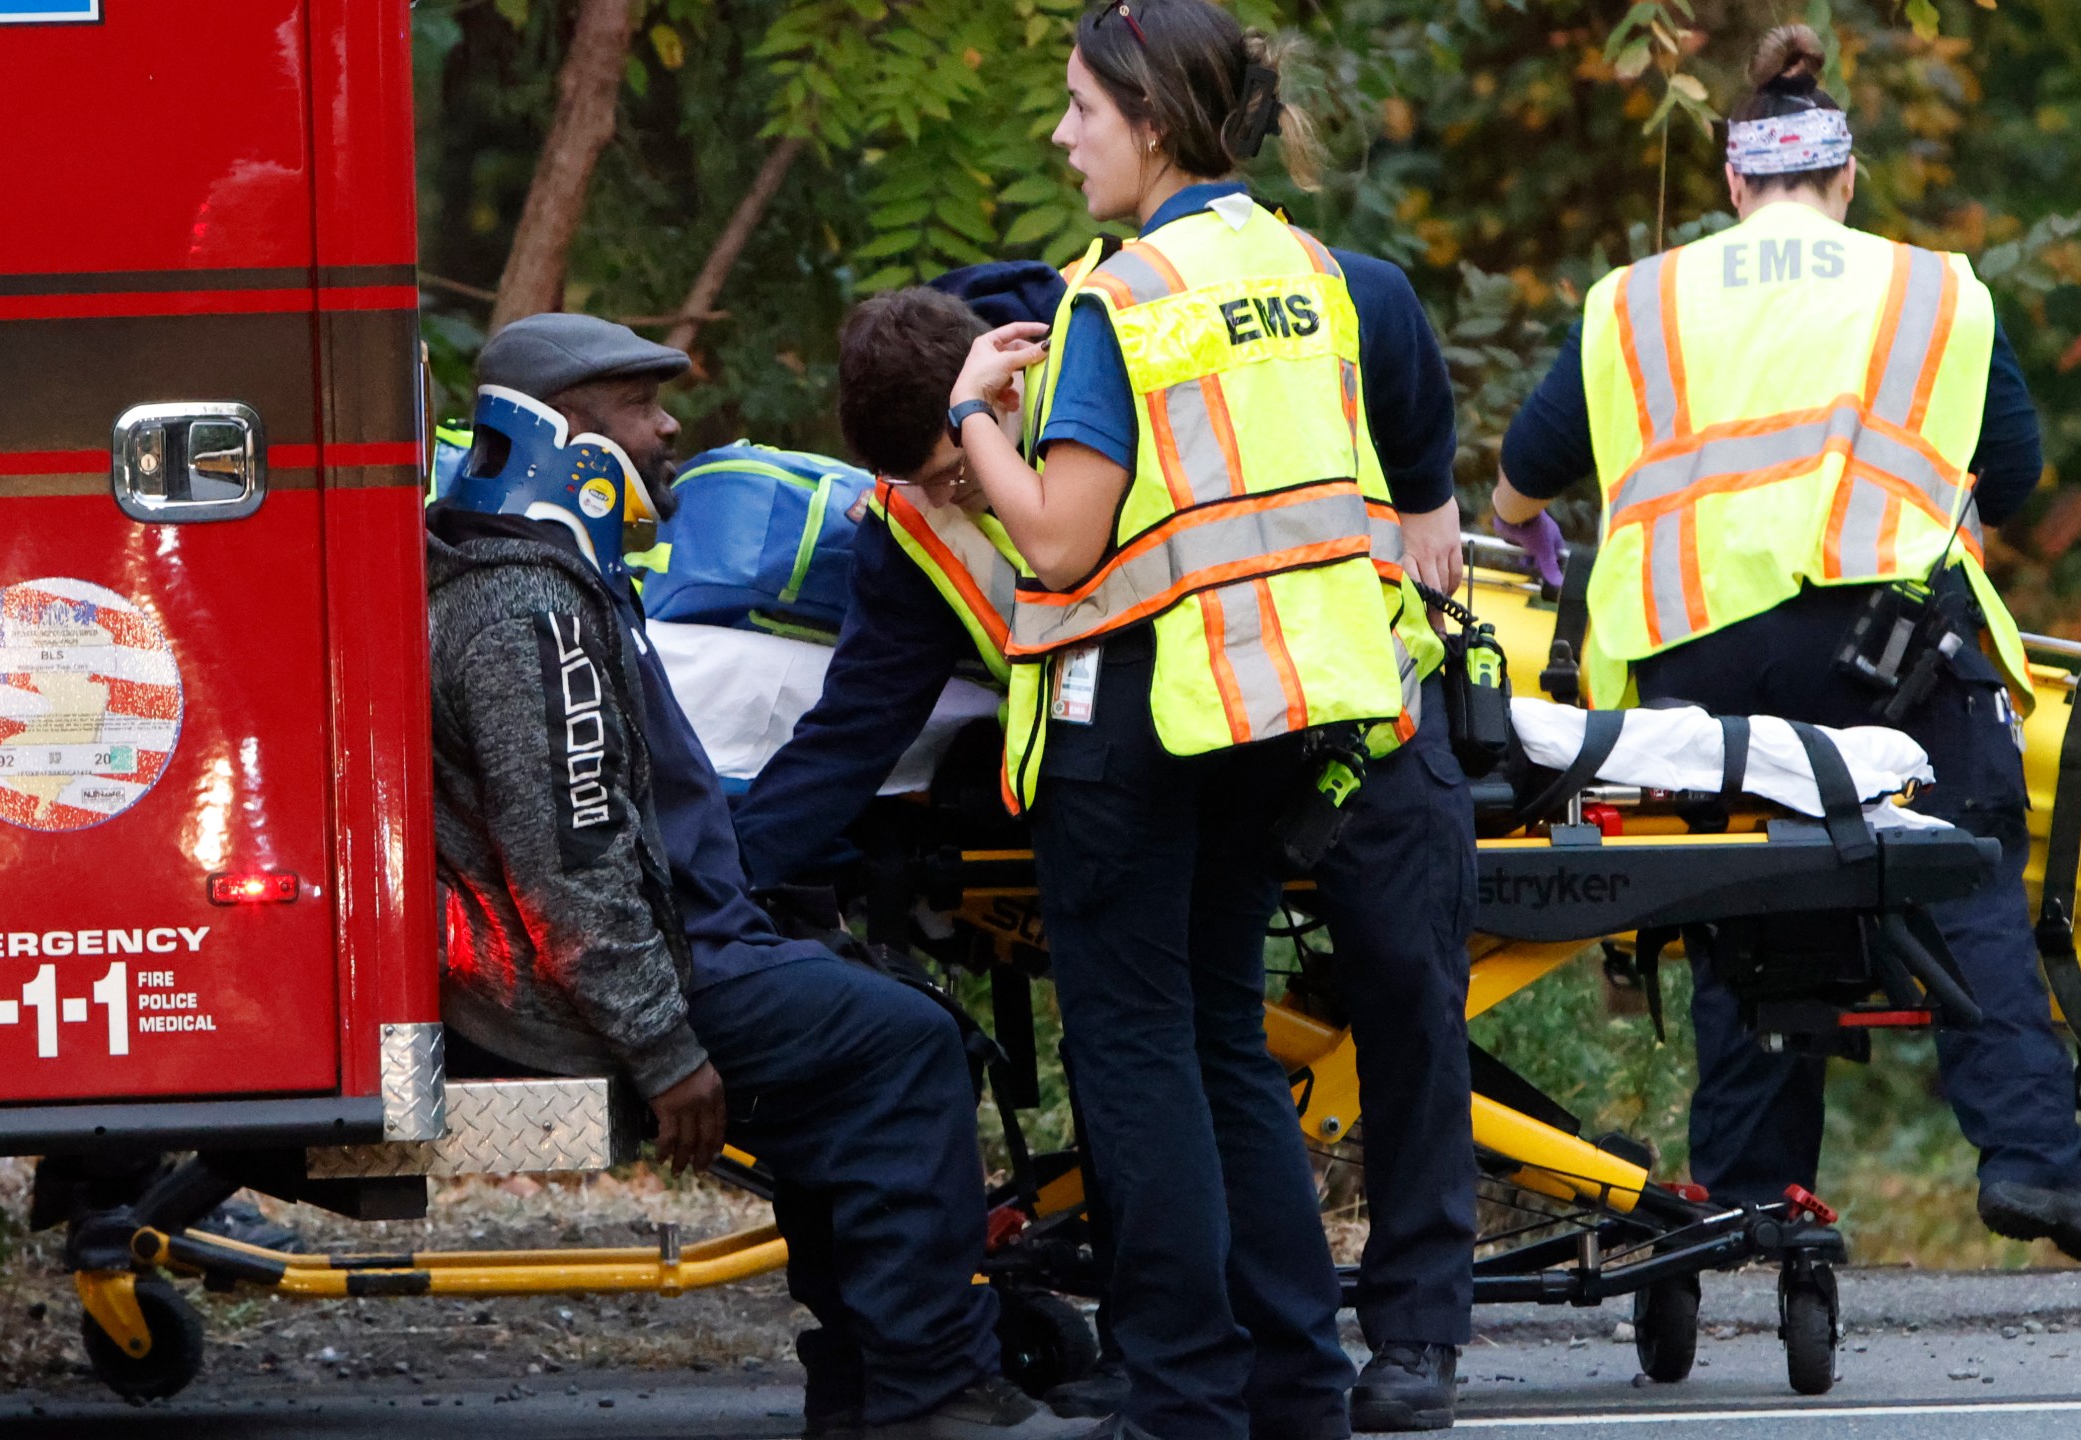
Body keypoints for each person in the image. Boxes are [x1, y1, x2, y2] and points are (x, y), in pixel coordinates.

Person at [735, 274, 1477, 1434]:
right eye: (936, 482)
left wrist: (1428, 494)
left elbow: (1372, 300)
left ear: (1006, 379)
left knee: (1397, 996)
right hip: (1178, 760)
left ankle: (1393, 1335)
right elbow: (848, 735)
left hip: (1361, 714)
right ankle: (1235, 1376)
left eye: (961, 462)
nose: (965, 498)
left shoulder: (1107, 335)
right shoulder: (917, 532)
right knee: (1176, 1059)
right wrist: (709, 880)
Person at [1489, 25, 2081, 1270]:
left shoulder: (1637, 302)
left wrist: (1522, 535)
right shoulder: (1930, 291)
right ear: (1845, 180)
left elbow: (1523, 477)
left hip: (1694, 658)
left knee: (1737, 896)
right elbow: (2006, 477)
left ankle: (1750, 1196)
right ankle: (2029, 1164)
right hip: (1888, 648)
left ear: (1732, 185)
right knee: (1958, 864)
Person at [940, 4, 1468, 1434]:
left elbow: (1057, 541)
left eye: (1080, 112)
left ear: (1153, 122)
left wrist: (973, 413)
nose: (1062, 136)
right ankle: (1293, 1380)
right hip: (1270, 710)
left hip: (1132, 720)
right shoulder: (1304, 272)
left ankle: (1182, 1393)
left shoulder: (1123, 299)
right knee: (1222, 1039)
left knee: (1136, 1049)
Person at [426, 311, 1088, 1440]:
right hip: (589, 990)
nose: (670, 423)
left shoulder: (540, 578)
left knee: (869, 1032)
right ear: (568, 432)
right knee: (904, 1050)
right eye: (641, 406)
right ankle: (929, 1392)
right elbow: (571, 862)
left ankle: (865, 1391)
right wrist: (663, 1046)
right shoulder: (523, 609)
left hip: (650, 950)